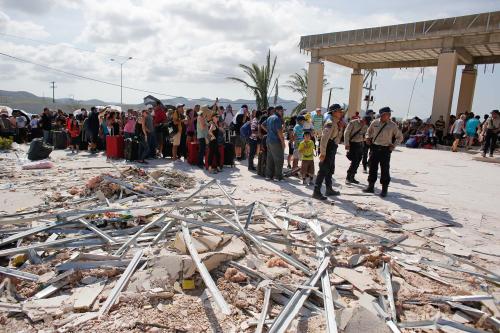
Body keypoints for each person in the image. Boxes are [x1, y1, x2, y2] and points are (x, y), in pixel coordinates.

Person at [363, 107, 403, 197]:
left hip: (385, 150)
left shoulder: (393, 125)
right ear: (381, 114)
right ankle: (370, 187)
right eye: (387, 114)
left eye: (389, 114)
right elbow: (368, 132)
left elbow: (400, 137)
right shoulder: (375, 122)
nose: (389, 115)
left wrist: (394, 145)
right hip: (375, 148)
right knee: (372, 168)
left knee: (385, 170)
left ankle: (384, 189)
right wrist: (367, 138)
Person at [313, 104, 344, 200]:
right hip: (328, 147)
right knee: (323, 170)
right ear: (334, 112)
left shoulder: (336, 121)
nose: (341, 113)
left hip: (332, 146)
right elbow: (324, 139)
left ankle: (329, 189)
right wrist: (323, 153)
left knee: (330, 169)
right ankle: (316, 192)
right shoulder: (330, 122)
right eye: (339, 111)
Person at [344, 115, 368, 184]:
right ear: (361, 119)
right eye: (363, 122)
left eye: (365, 123)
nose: (364, 124)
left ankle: (352, 177)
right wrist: (346, 144)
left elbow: (366, 134)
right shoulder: (353, 123)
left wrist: (366, 138)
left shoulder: (366, 125)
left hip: (360, 144)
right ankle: (348, 177)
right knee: (354, 161)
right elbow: (346, 133)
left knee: (358, 161)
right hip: (352, 144)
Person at [264, 105, 285, 181]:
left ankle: (268, 176)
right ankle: (277, 177)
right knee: (279, 159)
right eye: (282, 111)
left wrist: (269, 131)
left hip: (269, 140)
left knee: (270, 158)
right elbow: (279, 131)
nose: (282, 112)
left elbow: (262, 125)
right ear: (278, 111)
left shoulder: (270, 117)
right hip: (276, 141)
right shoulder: (277, 119)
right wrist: (283, 142)